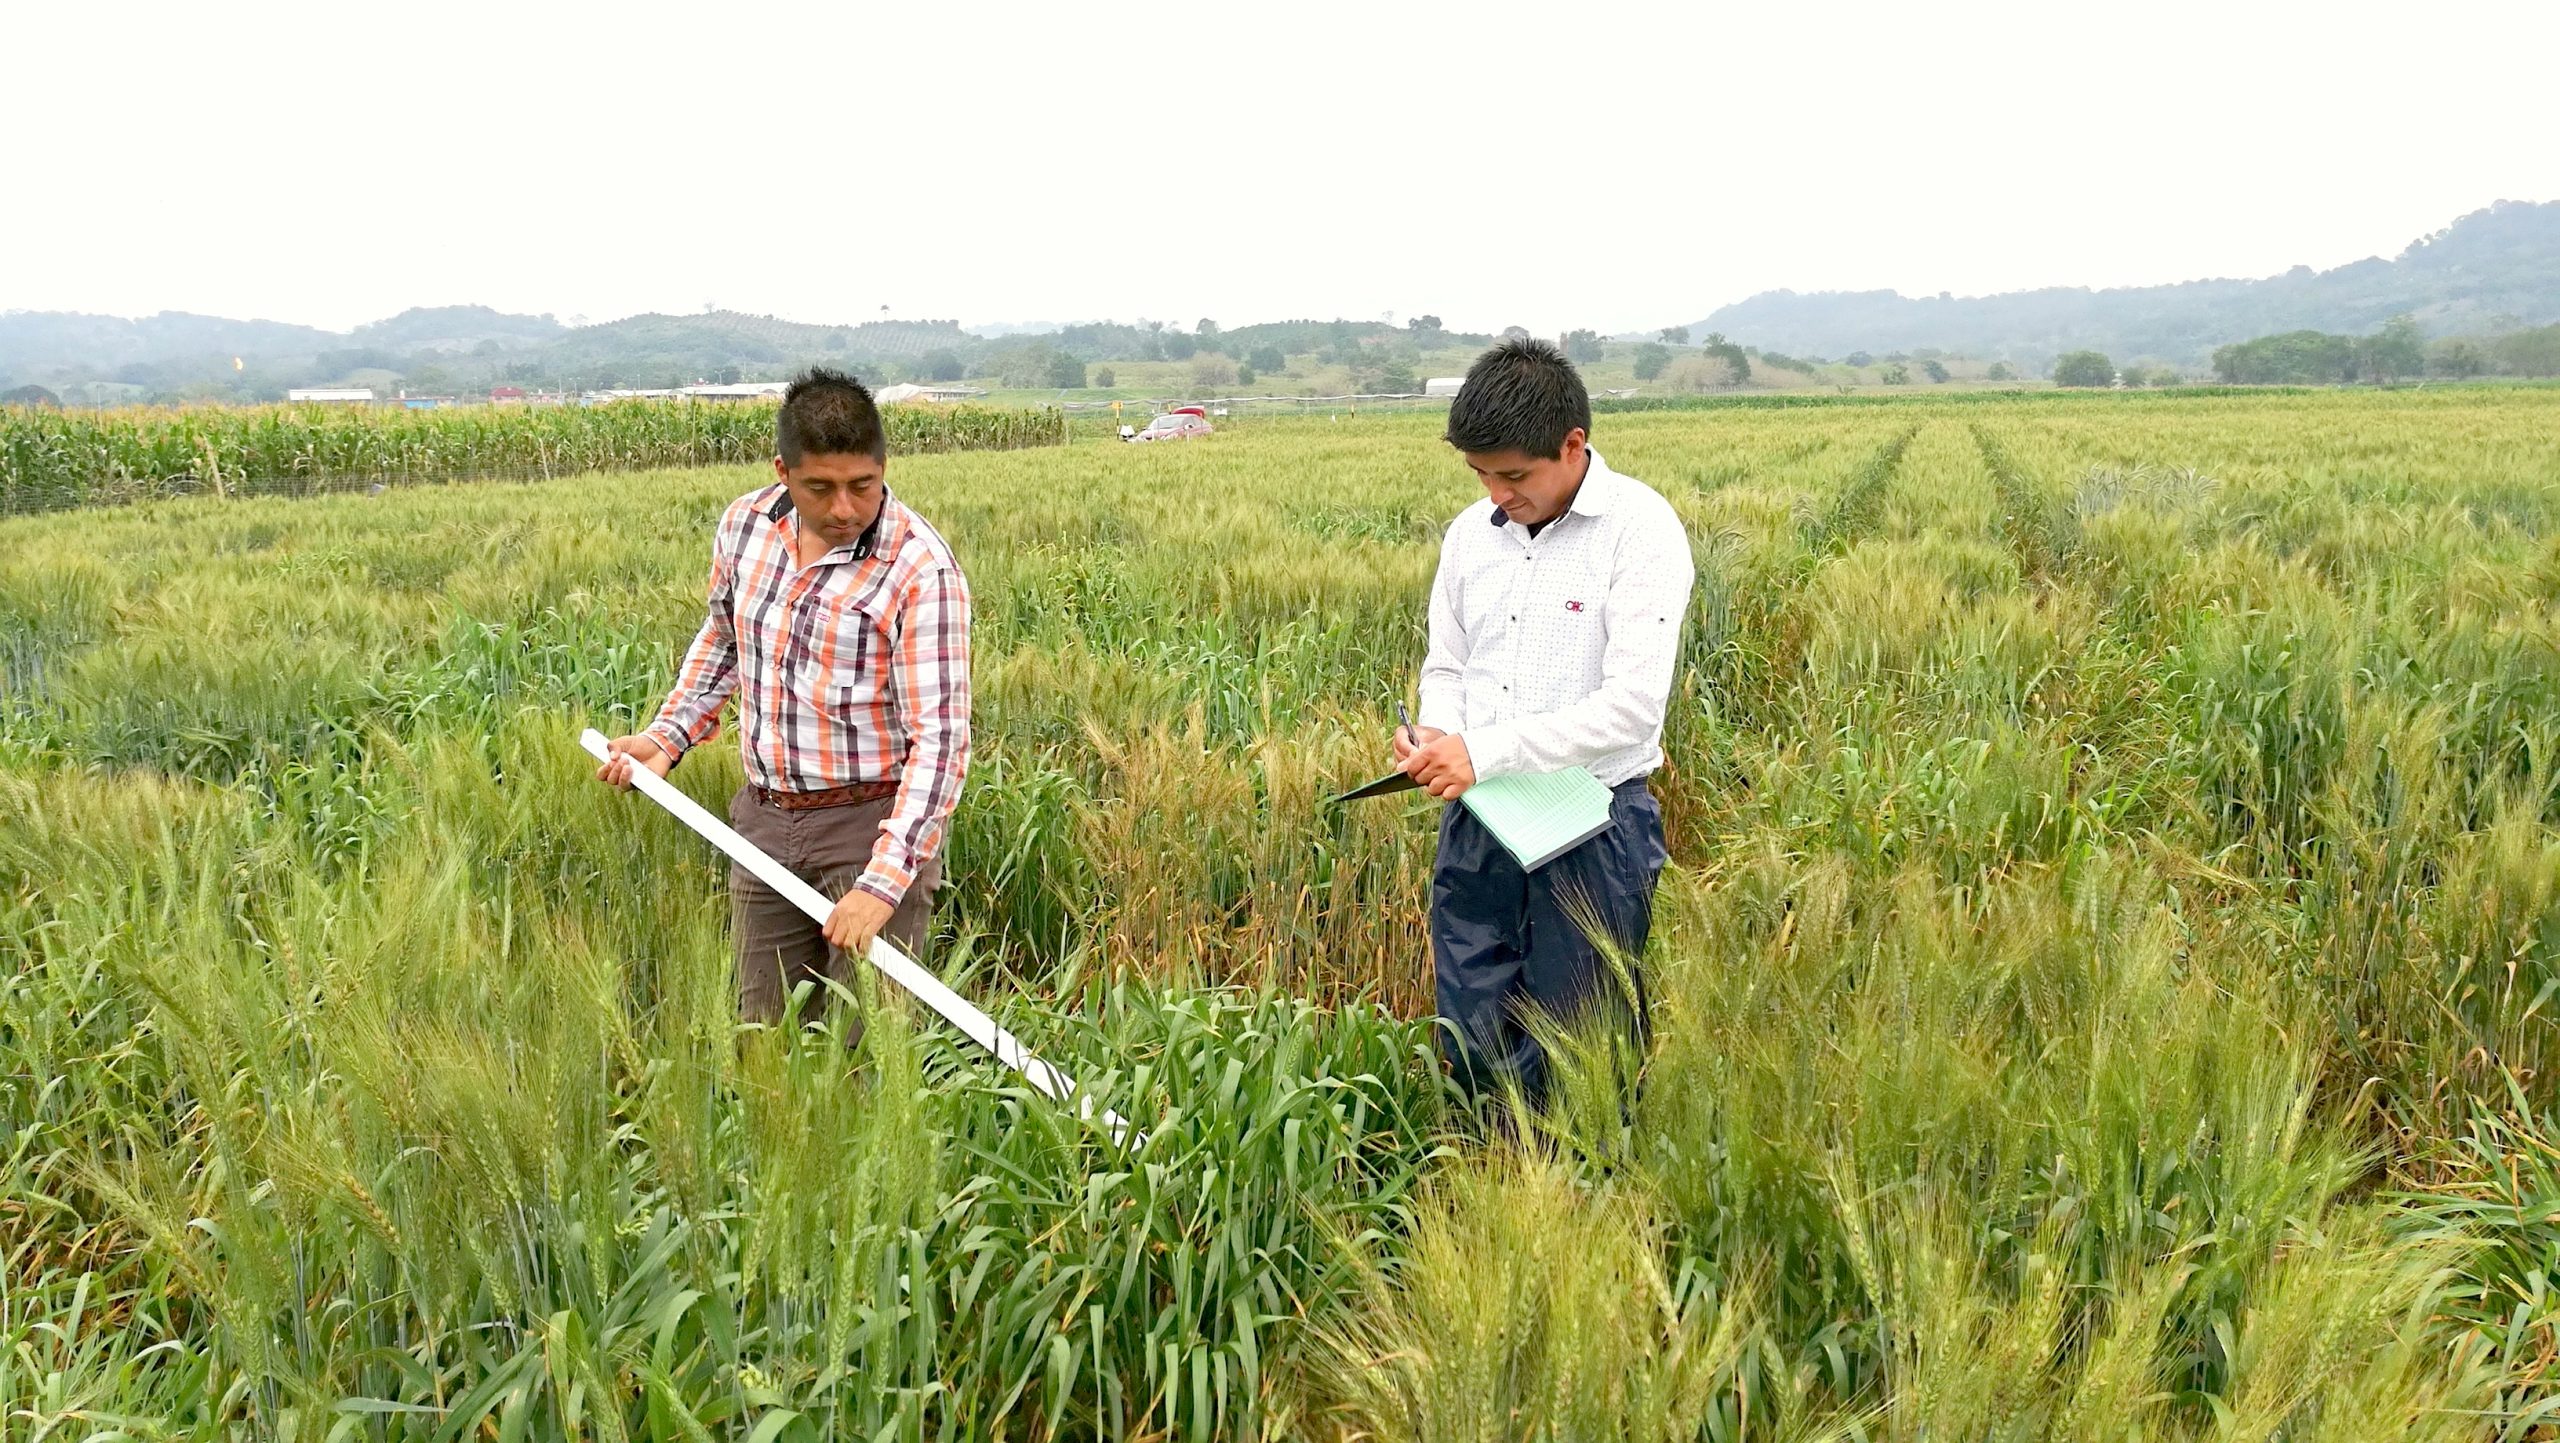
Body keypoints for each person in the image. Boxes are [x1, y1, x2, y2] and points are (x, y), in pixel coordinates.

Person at [596, 367, 971, 1034]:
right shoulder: (746, 526)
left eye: (863, 485)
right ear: (784, 472)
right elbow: (725, 638)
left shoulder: (919, 569)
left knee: (866, 1052)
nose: (846, 508)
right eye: (820, 488)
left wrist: (884, 883)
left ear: (883, 467)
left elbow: (940, 742)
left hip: (868, 828)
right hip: (763, 821)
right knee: (762, 1037)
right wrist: (666, 737)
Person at [1395, 338, 1694, 1109]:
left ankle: (1579, 1211)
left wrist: (1481, 751)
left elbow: (1630, 707)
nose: (1496, 494)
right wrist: (1435, 733)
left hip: (1591, 825)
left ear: (1573, 445)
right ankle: (1484, 1198)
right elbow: (1449, 665)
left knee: (1580, 1052)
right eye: (1480, 474)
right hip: (1479, 821)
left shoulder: (1640, 531)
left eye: (1515, 475)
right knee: (1471, 1038)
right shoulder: (1470, 535)